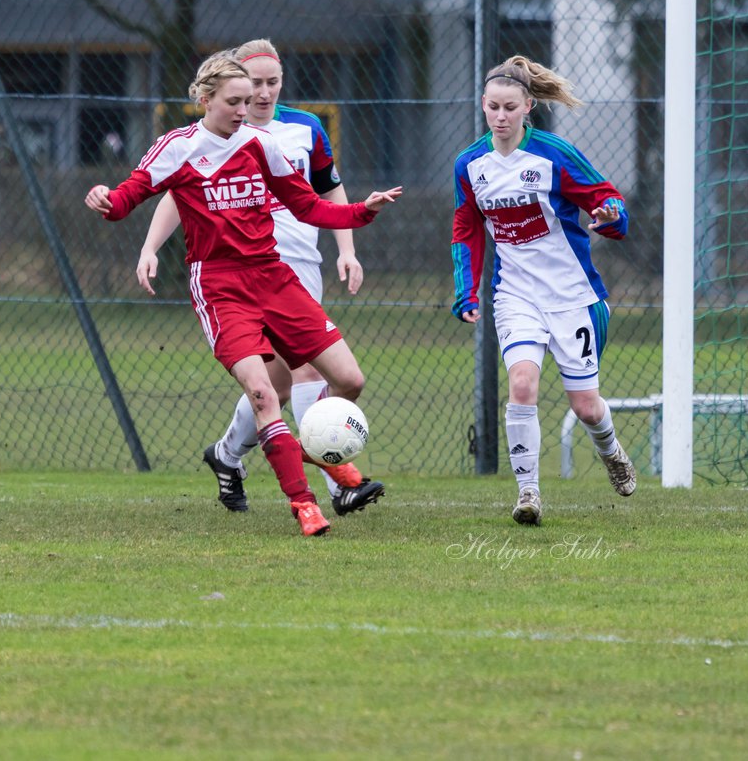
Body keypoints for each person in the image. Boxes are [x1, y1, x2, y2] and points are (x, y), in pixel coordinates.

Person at [85, 51, 401, 536]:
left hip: (274, 278)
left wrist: (362, 211)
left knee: (349, 379)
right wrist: (106, 199)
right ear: (205, 100)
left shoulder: (260, 144)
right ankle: (305, 504)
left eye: (249, 99)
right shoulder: (178, 147)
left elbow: (308, 205)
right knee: (262, 392)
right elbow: (128, 196)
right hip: (220, 286)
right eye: (234, 101)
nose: (244, 108)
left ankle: (321, 456)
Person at [450, 55, 637, 526]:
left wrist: (611, 215)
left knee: (586, 406)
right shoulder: (471, 164)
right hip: (515, 295)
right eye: (493, 107)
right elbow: (465, 229)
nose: (500, 116)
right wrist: (466, 291)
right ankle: (528, 492)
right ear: (483, 105)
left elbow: (607, 200)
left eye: (510, 107)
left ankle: (612, 452)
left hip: (572, 295)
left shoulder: (554, 154)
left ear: (528, 105)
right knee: (523, 384)